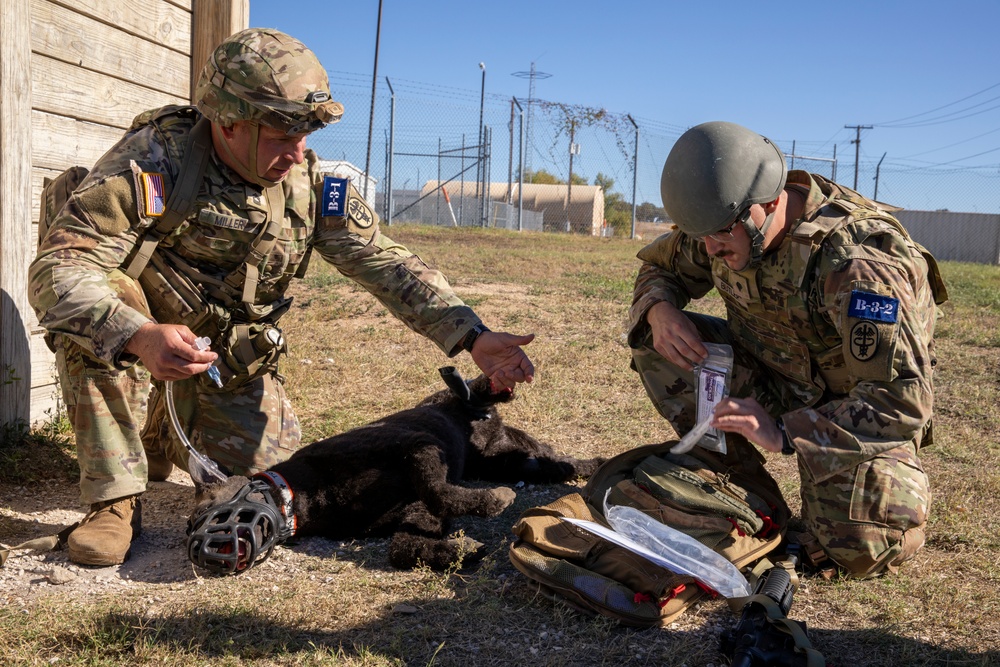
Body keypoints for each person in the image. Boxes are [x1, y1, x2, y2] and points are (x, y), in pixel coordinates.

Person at [28, 28, 534, 567]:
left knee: (267, 479)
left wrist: (471, 334)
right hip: (144, 330)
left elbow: (384, 261)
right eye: (280, 136)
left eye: (305, 135)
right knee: (99, 307)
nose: (298, 153)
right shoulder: (154, 162)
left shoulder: (307, 186)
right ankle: (114, 499)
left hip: (222, 360)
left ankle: (159, 431)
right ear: (227, 122)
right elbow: (58, 270)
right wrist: (139, 334)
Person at [627, 121, 947, 578]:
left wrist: (783, 430)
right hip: (774, 376)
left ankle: (884, 493)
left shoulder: (857, 265)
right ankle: (743, 487)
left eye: (718, 234)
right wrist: (659, 308)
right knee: (656, 341)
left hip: (850, 410)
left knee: (859, 548)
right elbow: (661, 268)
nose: (709, 249)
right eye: (701, 236)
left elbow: (903, 400)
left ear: (771, 204)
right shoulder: (722, 225)